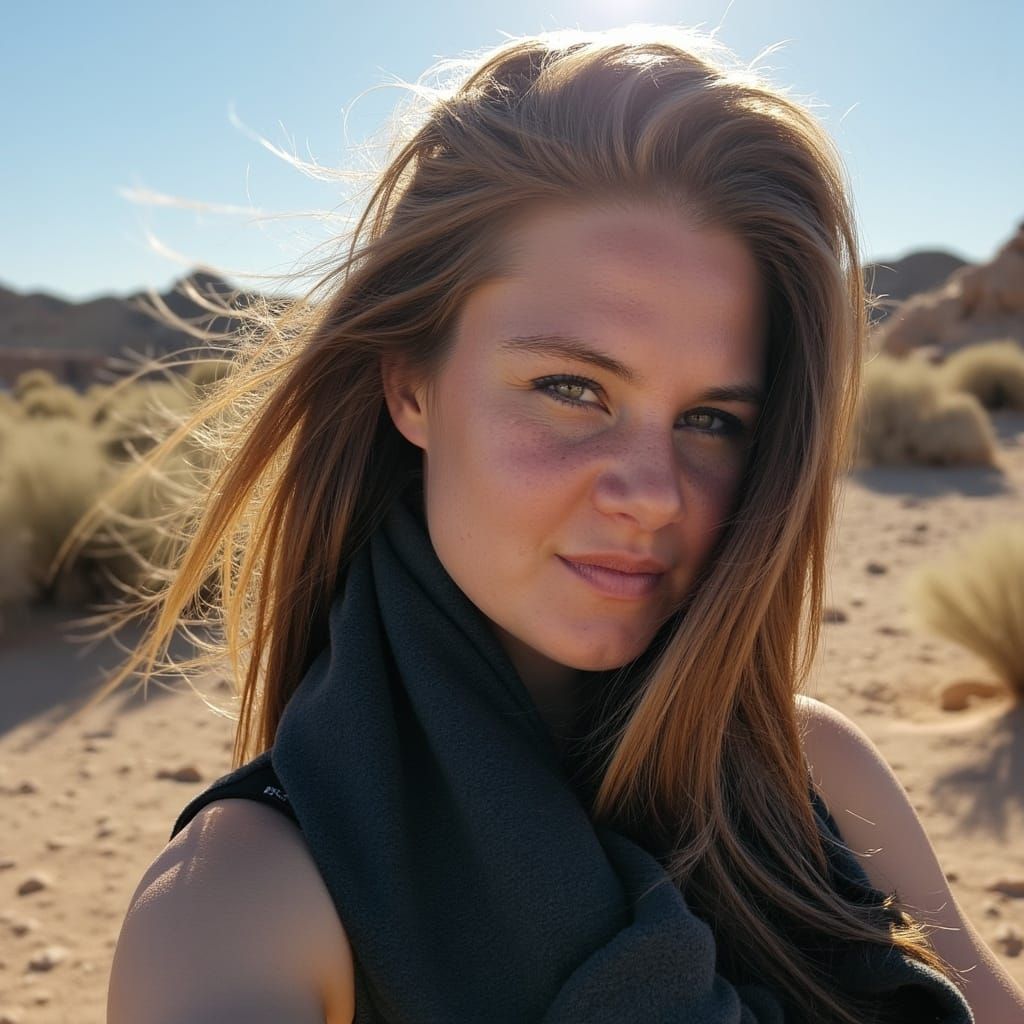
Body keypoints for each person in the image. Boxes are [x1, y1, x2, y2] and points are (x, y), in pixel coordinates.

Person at [88, 25, 1023, 1024]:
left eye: (712, 420)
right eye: (570, 387)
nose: (653, 493)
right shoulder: (242, 904)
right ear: (410, 386)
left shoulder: (809, 773)